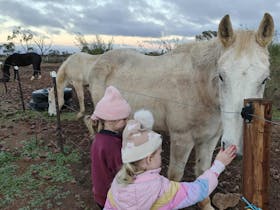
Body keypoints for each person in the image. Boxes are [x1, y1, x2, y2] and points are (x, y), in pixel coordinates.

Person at [104, 109, 237, 210]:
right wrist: (219, 164)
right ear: (149, 159)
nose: (161, 156)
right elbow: (199, 190)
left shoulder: (117, 184)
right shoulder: (161, 189)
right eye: (159, 154)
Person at [90, 86, 131, 209]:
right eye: (124, 119)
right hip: (111, 197)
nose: (126, 122)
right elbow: (122, 172)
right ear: (112, 120)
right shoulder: (112, 145)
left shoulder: (99, 138)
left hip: (100, 192)